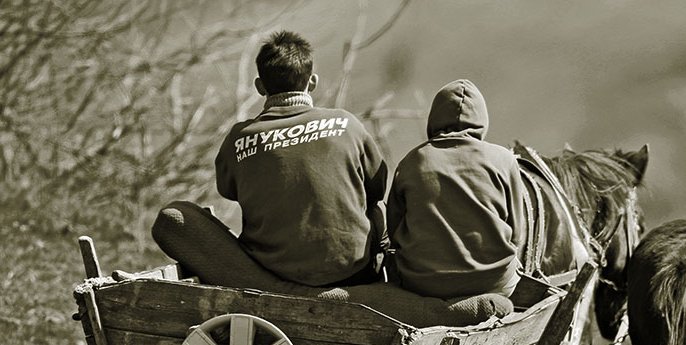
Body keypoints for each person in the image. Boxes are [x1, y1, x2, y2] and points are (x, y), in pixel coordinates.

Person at [214, 30, 388, 287]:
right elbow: (377, 188)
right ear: (313, 82)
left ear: (260, 87)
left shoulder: (239, 138)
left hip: (272, 272)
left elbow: (227, 191)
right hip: (352, 270)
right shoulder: (347, 123)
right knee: (377, 207)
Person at [386, 79, 525, 299]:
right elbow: (518, 233)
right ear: (481, 120)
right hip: (493, 283)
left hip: (421, 283)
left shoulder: (412, 162)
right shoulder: (504, 159)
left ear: (434, 118)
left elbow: (394, 231)